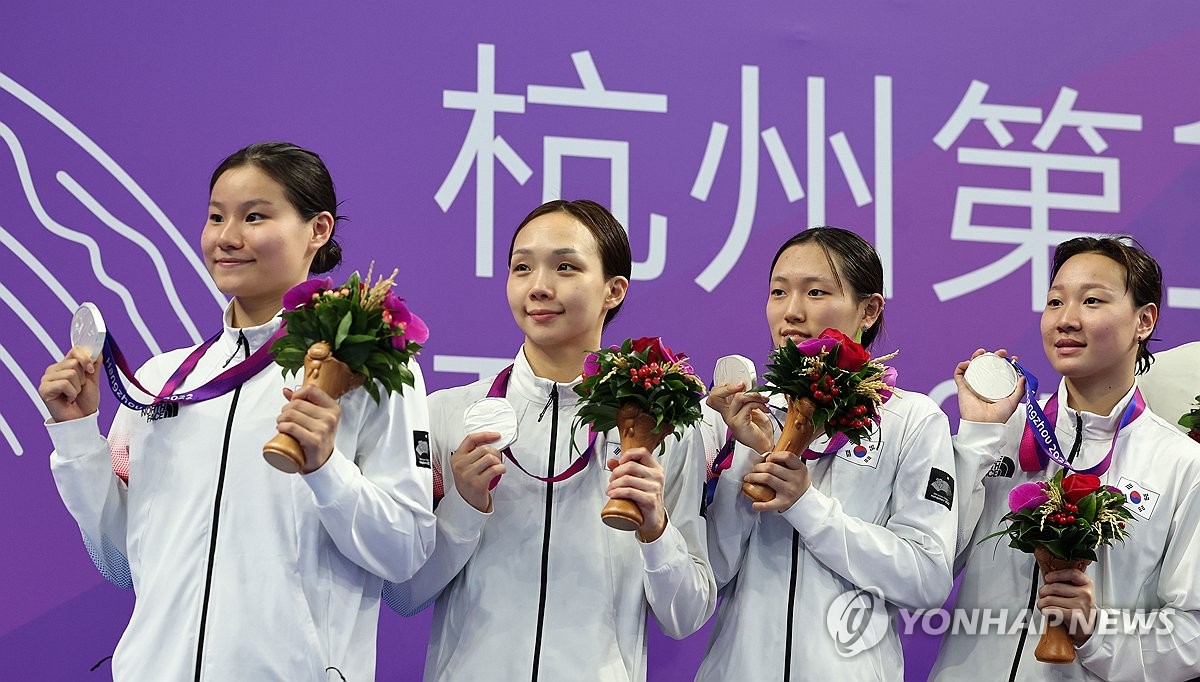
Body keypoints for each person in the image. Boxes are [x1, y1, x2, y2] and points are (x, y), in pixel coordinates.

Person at [39, 142, 435, 681]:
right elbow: (119, 561)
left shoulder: (366, 372)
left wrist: (326, 469)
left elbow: (406, 552)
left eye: (254, 216)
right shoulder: (161, 382)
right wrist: (77, 436)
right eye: (215, 217)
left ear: (317, 230)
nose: (227, 237)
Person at [385, 199, 715, 681]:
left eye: (565, 267)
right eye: (522, 267)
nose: (538, 287)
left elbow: (685, 616)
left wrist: (656, 530)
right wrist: (464, 506)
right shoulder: (446, 416)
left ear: (613, 290)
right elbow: (403, 595)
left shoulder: (665, 428)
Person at [694, 226, 957, 680]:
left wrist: (807, 505)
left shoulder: (912, 419)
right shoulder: (736, 414)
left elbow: (926, 577)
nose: (791, 312)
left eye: (815, 292)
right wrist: (748, 459)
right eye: (779, 292)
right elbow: (708, 575)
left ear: (869, 310)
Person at [933, 236, 1200, 681]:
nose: (1066, 319)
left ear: (1144, 320)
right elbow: (931, 564)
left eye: (1092, 301)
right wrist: (978, 433)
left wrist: (1096, 632)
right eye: (1055, 301)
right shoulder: (1001, 436)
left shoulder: (1181, 464)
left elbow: (1192, 632)